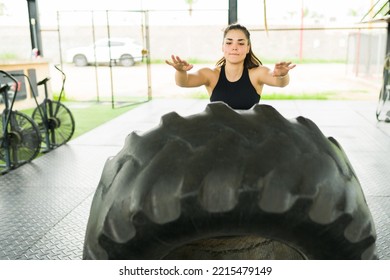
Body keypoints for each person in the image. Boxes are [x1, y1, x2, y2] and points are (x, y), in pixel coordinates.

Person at [166, 23, 296, 110]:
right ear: (222, 47)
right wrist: (180, 71)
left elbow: (280, 83)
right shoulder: (211, 75)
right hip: (220, 136)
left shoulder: (257, 73)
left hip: (248, 137)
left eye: (240, 43)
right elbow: (183, 82)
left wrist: (282, 74)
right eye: (229, 43)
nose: (234, 47)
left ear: (247, 48)